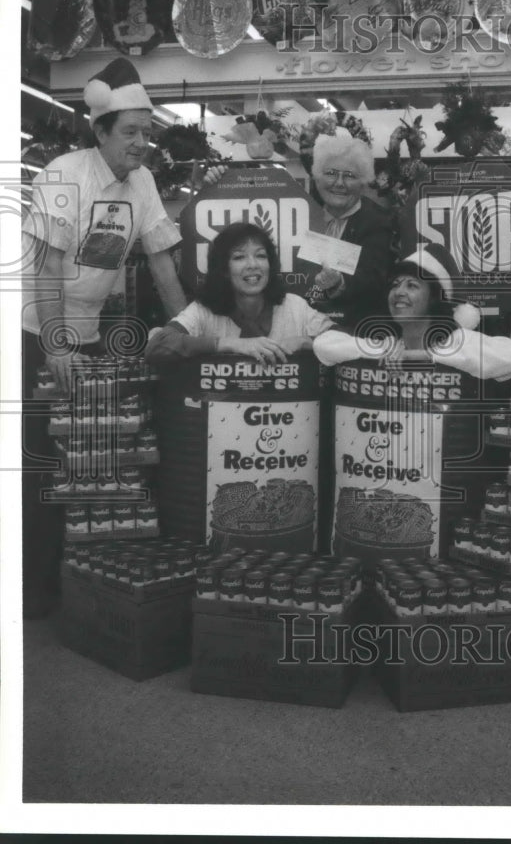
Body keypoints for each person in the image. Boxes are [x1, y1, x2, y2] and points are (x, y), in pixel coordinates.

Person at [21, 56, 187, 617]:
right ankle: (32, 591)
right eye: (131, 132)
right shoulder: (64, 174)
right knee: (44, 462)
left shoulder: (143, 182)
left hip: (88, 335)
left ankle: (79, 582)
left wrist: (186, 330)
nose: (142, 143)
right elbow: (44, 268)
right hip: (34, 331)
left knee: (88, 464)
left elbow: (162, 264)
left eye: (147, 132)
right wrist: (55, 344)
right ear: (100, 132)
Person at [314, 243, 511, 380]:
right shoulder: (390, 342)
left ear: (433, 298)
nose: (399, 292)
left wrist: (423, 356)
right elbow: (323, 345)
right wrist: (385, 352)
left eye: (412, 286)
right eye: (395, 285)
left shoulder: (457, 339)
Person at [145, 222, 333, 364]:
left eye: (261, 255)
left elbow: (344, 338)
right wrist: (229, 344)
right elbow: (157, 346)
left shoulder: (294, 306)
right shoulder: (203, 311)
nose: (253, 264)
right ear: (224, 269)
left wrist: (305, 342)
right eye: (239, 257)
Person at [306, 131, 395, 327]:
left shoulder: (378, 221)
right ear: (317, 178)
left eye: (349, 176)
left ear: (363, 183)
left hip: (356, 330)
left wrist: (339, 282)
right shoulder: (305, 216)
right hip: (305, 324)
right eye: (331, 173)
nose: (339, 183)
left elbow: (374, 278)